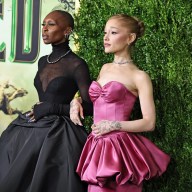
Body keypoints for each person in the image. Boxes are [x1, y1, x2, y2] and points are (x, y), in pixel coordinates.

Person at [70, 14, 170, 192]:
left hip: (120, 151)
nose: (106, 37)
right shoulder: (105, 68)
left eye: (113, 32)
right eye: (105, 32)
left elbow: (149, 122)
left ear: (130, 38)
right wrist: (76, 101)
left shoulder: (139, 76)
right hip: (96, 146)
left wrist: (114, 125)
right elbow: (99, 104)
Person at [0, 10, 92, 192]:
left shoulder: (77, 64)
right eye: (43, 24)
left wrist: (54, 108)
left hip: (59, 135)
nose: (44, 29)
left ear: (67, 30)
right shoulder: (42, 61)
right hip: (30, 126)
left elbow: (90, 107)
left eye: (51, 24)